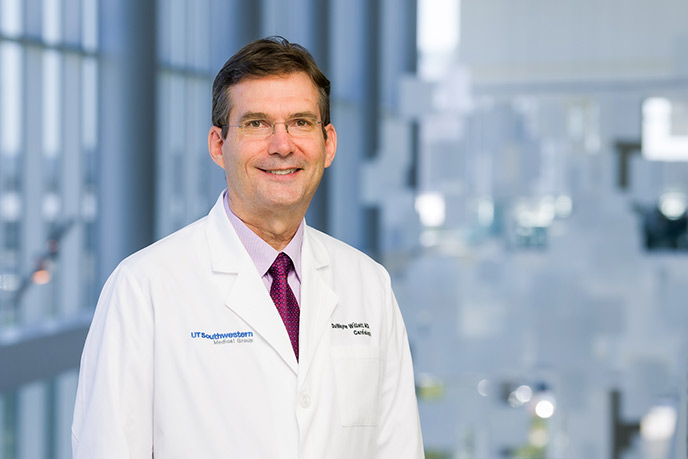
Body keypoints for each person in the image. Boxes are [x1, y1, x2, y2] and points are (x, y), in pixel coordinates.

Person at [72, 36, 424, 459]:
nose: (282, 145)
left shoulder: (368, 284)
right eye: (257, 123)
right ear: (219, 145)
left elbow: (397, 448)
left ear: (328, 144)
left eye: (301, 122)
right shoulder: (143, 286)